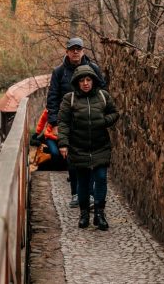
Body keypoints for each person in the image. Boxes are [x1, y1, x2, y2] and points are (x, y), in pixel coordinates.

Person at [58, 64, 119, 231]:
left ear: (93, 81)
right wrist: (63, 143)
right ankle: (84, 213)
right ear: (77, 82)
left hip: (100, 145)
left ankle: (100, 214)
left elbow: (114, 113)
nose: (85, 83)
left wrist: (104, 121)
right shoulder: (69, 99)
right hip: (79, 146)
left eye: (88, 80)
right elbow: (62, 122)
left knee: (100, 177)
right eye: (82, 80)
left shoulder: (103, 96)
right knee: (83, 181)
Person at [46, 37, 105, 206]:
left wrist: (100, 114)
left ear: (83, 50)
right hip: (69, 121)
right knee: (72, 159)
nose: (75, 52)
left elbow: (102, 90)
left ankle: (90, 194)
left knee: (91, 158)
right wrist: (54, 122)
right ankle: (76, 193)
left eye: (78, 49)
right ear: (67, 51)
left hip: (90, 120)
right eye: (72, 49)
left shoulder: (92, 68)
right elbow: (52, 97)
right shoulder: (59, 72)